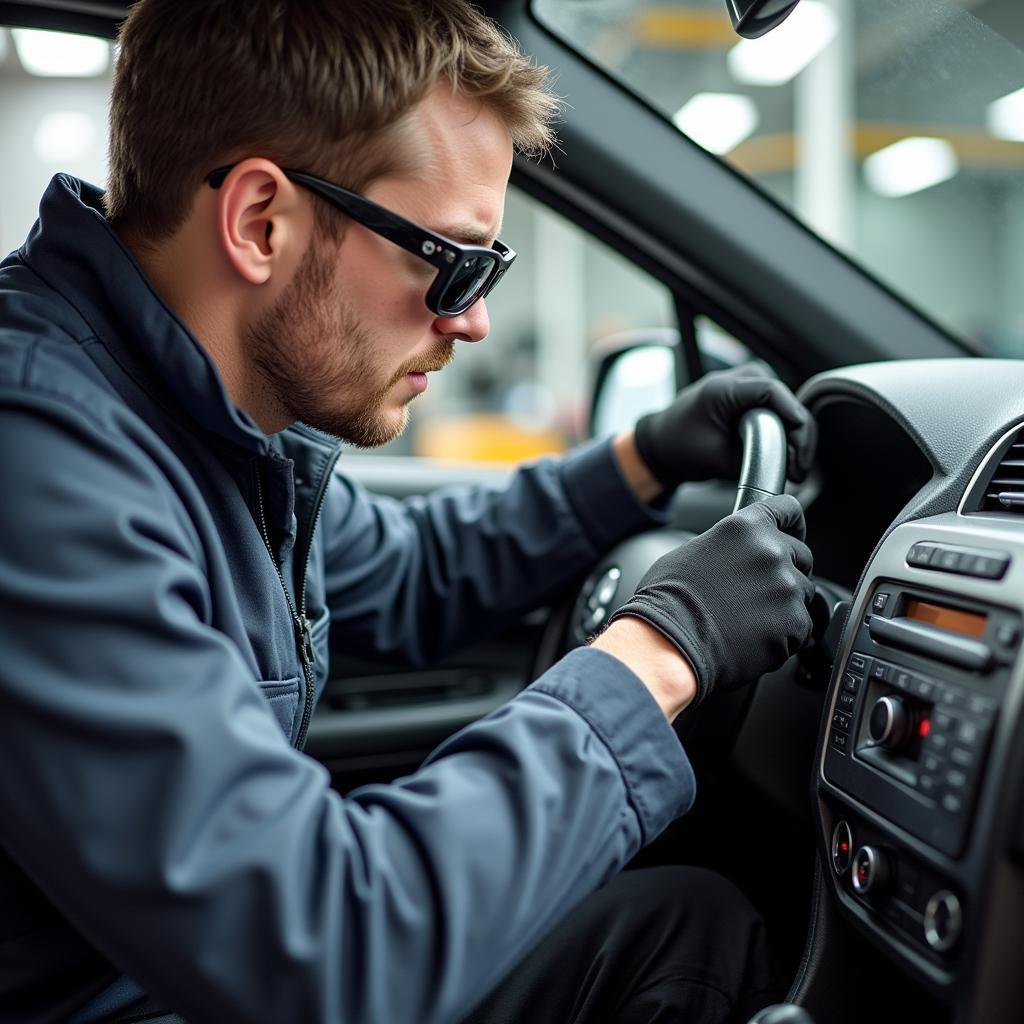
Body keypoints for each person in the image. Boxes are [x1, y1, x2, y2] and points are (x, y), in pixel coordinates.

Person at [0, 2, 817, 1022]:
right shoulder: (40, 460)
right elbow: (317, 949)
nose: (470, 320)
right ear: (261, 220)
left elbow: (408, 572)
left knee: (680, 929)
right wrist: (661, 651)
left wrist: (637, 461)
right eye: (452, 260)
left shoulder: (199, 422)